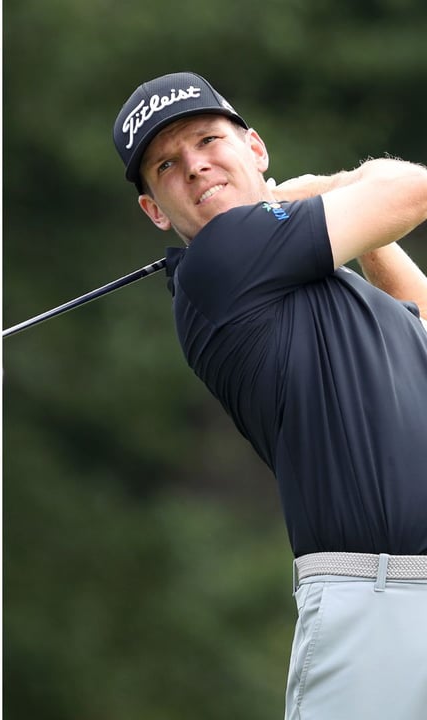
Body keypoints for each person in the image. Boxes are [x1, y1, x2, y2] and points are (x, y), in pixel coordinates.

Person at [113, 71, 427, 718]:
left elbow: (415, 316)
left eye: (207, 140)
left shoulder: (325, 288)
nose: (196, 167)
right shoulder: (225, 257)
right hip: (379, 596)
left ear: (255, 148)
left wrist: (359, 229)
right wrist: (326, 190)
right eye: (167, 165)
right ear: (154, 210)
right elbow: (411, 190)